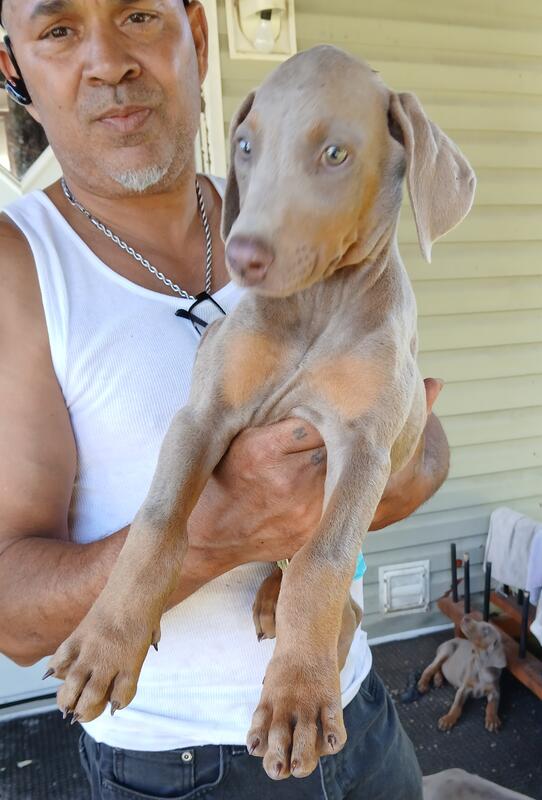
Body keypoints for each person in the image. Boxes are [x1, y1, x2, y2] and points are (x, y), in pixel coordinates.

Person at [0, 1, 449, 798]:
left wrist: (367, 490)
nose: (108, 62)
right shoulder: (20, 266)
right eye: (59, 29)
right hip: (175, 768)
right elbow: (12, 619)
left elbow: (420, 449)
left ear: (197, 36)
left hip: (354, 704)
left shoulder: (295, 213)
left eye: (139, 14)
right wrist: (211, 533)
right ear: (14, 69)